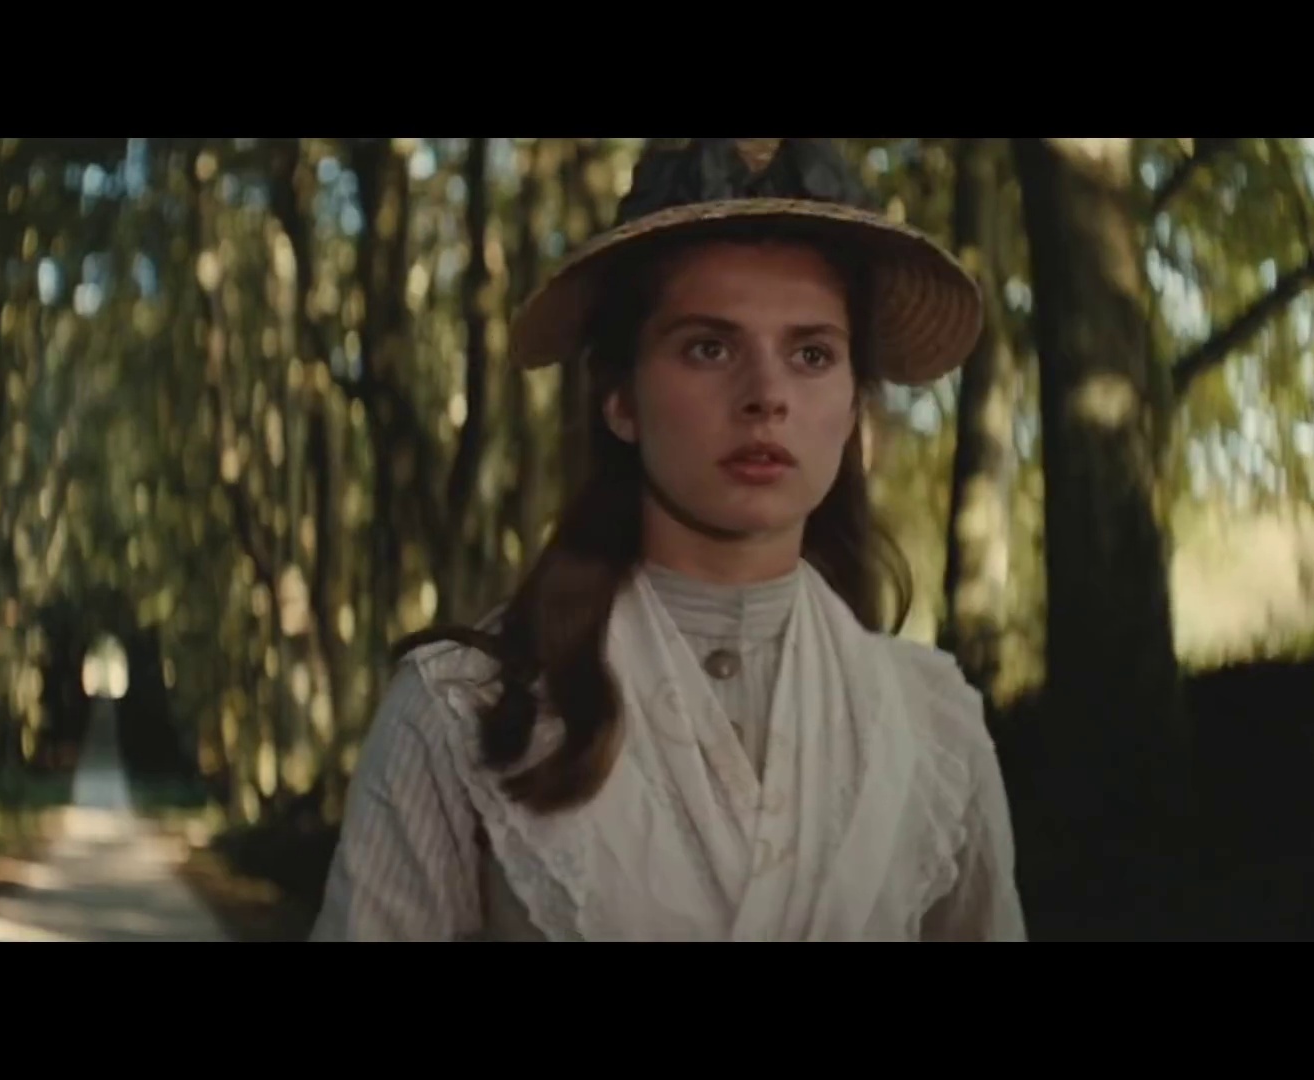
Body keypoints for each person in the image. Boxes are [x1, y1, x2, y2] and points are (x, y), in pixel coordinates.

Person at [310, 138, 1027, 941]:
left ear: (854, 405)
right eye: (709, 348)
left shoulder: (933, 727)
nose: (766, 396)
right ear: (621, 400)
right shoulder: (466, 707)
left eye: (812, 354)